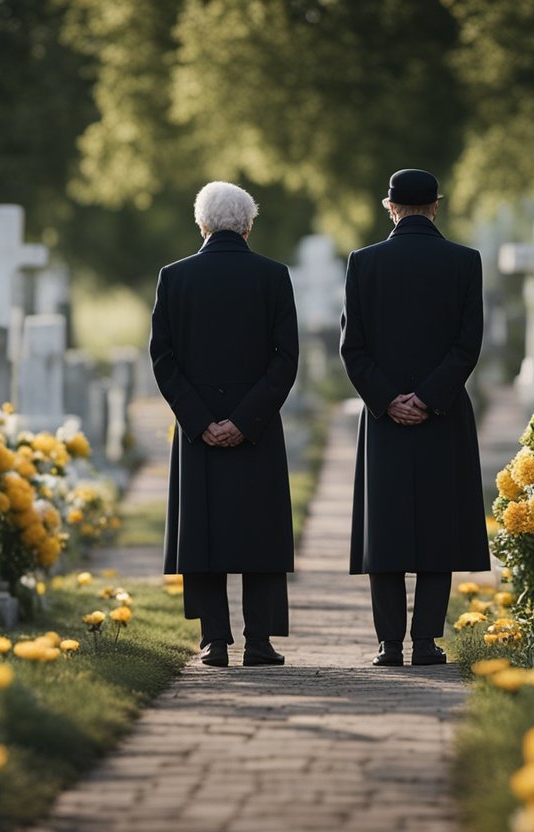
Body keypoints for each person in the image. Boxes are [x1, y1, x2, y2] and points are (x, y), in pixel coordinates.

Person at [340, 168, 491, 667]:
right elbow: (467, 345)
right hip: (443, 412)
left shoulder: (363, 263)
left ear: (390, 207)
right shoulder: (464, 262)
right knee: (436, 525)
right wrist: (428, 397)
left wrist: (389, 399)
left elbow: (353, 348)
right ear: (436, 206)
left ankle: (388, 644)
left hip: (384, 417)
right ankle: (425, 641)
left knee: (385, 527)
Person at [150, 181, 299, 668]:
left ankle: (214, 640)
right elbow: (285, 360)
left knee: (204, 533)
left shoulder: (174, 277)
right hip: (256, 425)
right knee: (259, 532)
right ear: (249, 225)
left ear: (202, 224)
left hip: (198, 430)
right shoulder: (274, 276)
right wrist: (244, 419)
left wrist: (200, 420)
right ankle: (259, 641)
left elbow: (163, 358)